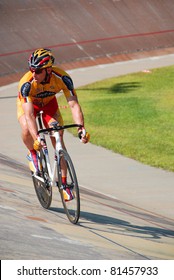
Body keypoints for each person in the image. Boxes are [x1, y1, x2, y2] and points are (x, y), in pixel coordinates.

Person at [17, 48, 90, 201]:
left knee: (58, 138)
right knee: (26, 128)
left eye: (37, 71)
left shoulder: (62, 78)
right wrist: (36, 137)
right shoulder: (26, 84)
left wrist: (81, 128)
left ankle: (64, 184)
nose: (34, 74)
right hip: (30, 106)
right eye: (32, 70)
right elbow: (29, 115)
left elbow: (74, 105)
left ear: (49, 70)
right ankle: (32, 155)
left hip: (49, 105)